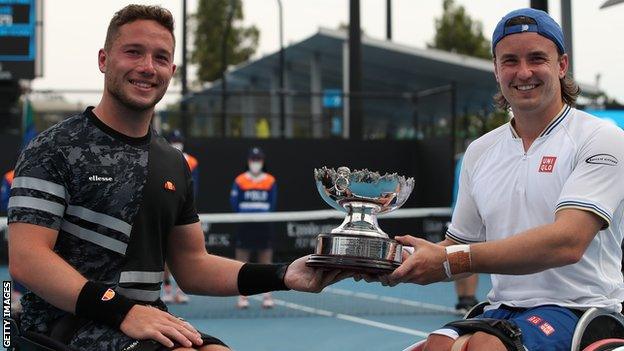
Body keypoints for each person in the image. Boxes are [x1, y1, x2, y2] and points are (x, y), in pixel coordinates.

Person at [7, 5, 347, 351]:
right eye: (133, 52)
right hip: (63, 328)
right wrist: (123, 311)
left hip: (148, 321)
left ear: (171, 70)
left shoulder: (172, 162)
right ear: (104, 59)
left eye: (160, 57)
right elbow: (27, 257)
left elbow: (192, 266)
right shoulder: (52, 148)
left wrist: (283, 275)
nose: (147, 67)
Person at [387, 8, 624, 351]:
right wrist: (388, 259)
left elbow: (567, 242)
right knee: (436, 345)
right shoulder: (480, 151)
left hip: (582, 309)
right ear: (497, 70)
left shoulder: (602, 138)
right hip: (502, 309)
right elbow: (456, 245)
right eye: (510, 60)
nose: (523, 72)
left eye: (537, 58)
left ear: (561, 65)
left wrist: (452, 260)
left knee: (486, 347)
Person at [230, 147, 277, 309]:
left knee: (265, 260)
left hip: (264, 224)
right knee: (242, 260)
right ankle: (242, 296)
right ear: (248, 161)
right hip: (245, 225)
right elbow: (234, 203)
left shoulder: (270, 180)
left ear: (262, 162)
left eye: (258, 160)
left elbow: (272, 203)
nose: (255, 163)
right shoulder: (240, 180)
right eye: (253, 160)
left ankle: (267, 295)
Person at [161, 129, 199, 304]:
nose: (178, 143)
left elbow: (194, 186)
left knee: (183, 251)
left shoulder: (192, 161)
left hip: (184, 212)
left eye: (179, 141)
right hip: (167, 209)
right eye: (175, 141)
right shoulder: (162, 157)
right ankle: (167, 289)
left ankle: (179, 290)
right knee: (164, 251)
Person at [450, 152, 479, 315]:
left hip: (457, 214)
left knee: (458, 255)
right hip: (466, 216)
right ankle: (467, 298)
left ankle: (463, 298)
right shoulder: (473, 158)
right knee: (468, 257)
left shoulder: (463, 159)